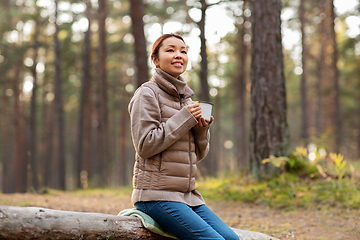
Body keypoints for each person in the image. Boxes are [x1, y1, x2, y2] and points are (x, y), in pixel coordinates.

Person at [128, 33, 239, 240]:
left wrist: (201, 129)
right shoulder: (147, 94)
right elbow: (144, 146)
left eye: (183, 51)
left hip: (189, 198)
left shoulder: (187, 101)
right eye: (170, 50)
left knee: (232, 239)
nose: (178, 55)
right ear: (155, 59)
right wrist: (185, 118)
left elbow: (197, 155)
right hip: (155, 196)